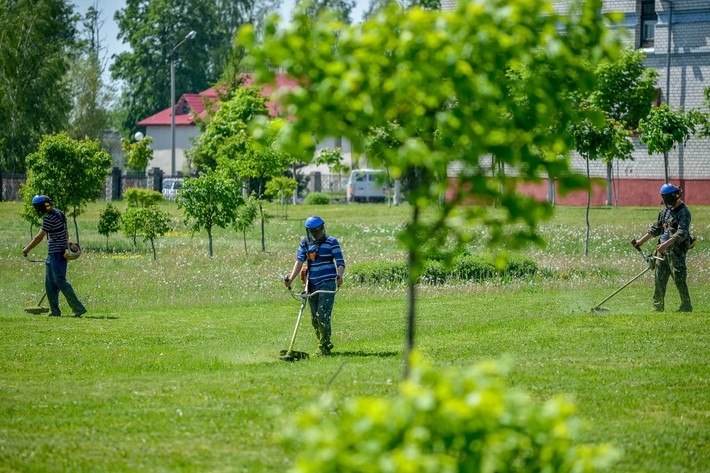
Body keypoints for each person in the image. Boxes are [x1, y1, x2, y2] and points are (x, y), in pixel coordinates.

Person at [284, 216, 345, 356]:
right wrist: (291, 278)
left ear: (322, 228)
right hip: (312, 284)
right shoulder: (305, 243)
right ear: (308, 231)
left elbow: (340, 262)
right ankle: (323, 342)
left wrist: (339, 276)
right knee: (314, 318)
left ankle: (324, 346)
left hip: (328, 283)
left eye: (318, 231)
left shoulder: (332, 242)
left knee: (323, 315)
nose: (316, 234)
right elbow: (299, 261)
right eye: (313, 231)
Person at [632, 183, 694, 312]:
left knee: (679, 278)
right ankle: (657, 307)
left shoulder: (684, 212)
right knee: (659, 279)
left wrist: (666, 244)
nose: (666, 201)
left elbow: (682, 233)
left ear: (675, 196)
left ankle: (686, 305)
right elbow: (657, 228)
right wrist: (641, 241)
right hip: (662, 250)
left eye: (668, 198)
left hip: (676, 251)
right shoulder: (665, 211)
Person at [22, 195, 87, 317]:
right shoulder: (59, 213)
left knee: (60, 282)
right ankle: (55, 311)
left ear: (42, 206)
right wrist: (65, 247)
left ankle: (78, 308)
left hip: (56, 254)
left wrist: (27, 249)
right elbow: (66, 232)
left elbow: (38, 237)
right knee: (50, 284)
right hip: (55, 253)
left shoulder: (49, 218)